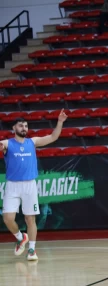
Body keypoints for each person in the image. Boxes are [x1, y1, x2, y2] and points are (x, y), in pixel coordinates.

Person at [1, 110, 68, 261]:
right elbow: (1, 144)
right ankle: (21, 237)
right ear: (14, 128)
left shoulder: (33, 142)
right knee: (8, 218)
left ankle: (31, 250)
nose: (24, 128)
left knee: (30, 219)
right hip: (12, 186)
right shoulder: (8, 143)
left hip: (29, 185)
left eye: (26, 126)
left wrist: (60, 122)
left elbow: (53, 137)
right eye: (20, 126)